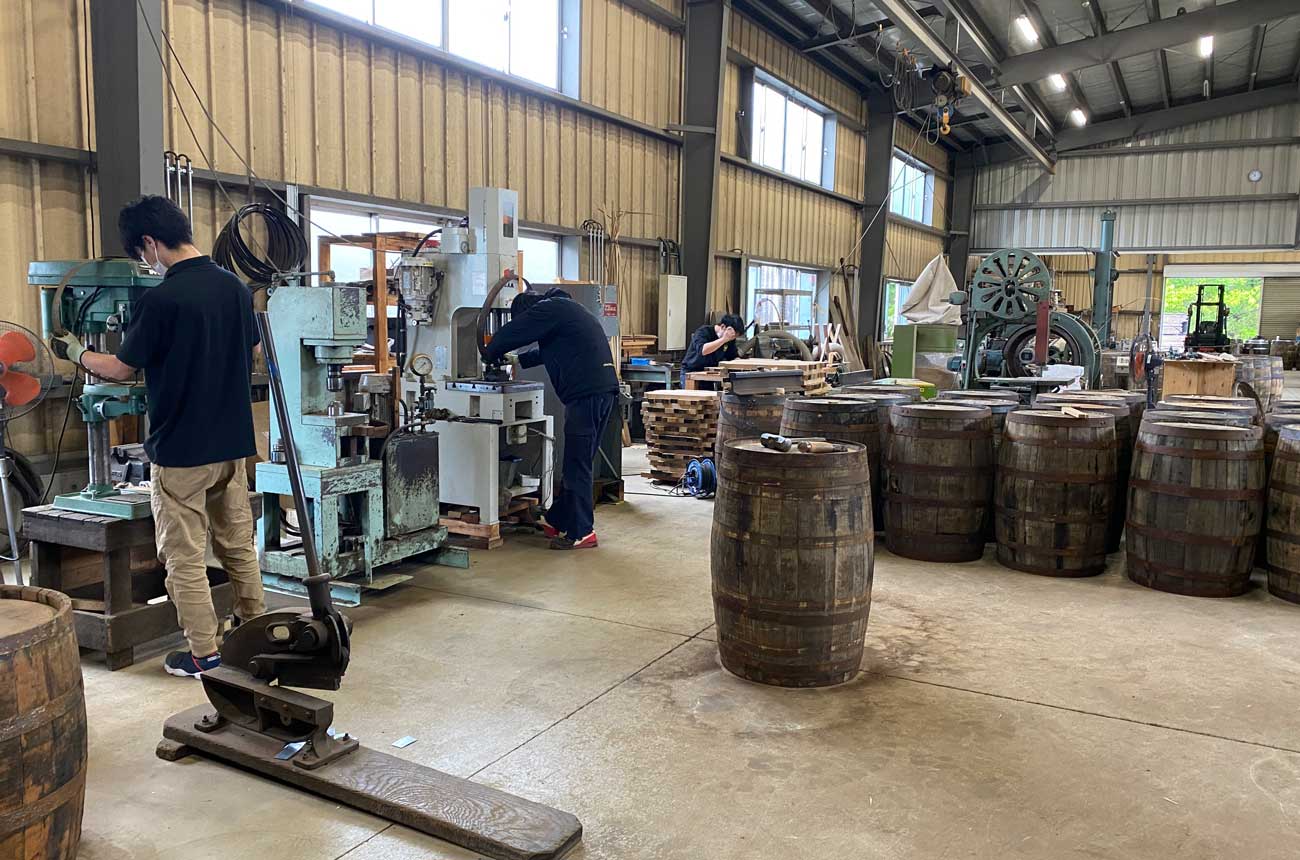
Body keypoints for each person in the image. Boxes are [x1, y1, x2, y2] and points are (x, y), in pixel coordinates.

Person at [49, 195, 266, 678]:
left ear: (150, 242)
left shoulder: (161, 299)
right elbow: (253, 349)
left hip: (182, 451)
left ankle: (204, 655)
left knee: (183, 557)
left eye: (140, 253)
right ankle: (257, 635)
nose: (143, 263)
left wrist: (77, 353)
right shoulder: (234, 287)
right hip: (233, 445)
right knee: (237, 545)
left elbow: (122, 369)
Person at [484, 288, 619, 550]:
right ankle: (558, 519)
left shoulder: (549, 309)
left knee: (576, 466)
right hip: (601, 393)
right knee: (579, 462)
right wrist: (516, 359)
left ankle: (582, 532)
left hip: (585, 397)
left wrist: (491, 351)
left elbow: (513, 333)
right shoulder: (570, 312)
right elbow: (547, 352)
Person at [680, 314, 745, 386]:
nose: (732, 338)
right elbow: (703, 350)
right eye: (733, 336)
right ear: (723, 327)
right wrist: (724, 339)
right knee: (693, 395)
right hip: (691, 371)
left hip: (710, 374)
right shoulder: (703, 332)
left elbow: (733, 356)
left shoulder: (730, 339)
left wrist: (741, 363)